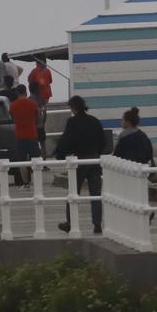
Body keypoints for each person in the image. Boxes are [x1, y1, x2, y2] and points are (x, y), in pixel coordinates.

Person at [54, 95, 107, 233]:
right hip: (94, 160)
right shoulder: (95, 121)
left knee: (73, 193)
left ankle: (70, 222)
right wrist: (97, 153)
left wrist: (60, 154)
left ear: (73, 107)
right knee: (95, 194)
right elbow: (103, 141)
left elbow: (67, 141)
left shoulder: (72, 122)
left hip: (79, 160)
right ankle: (97, 224)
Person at [5, 82, 42, 186]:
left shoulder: (13, 105)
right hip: (32, 135)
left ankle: (25, 182)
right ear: (26, 92)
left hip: (19, 136)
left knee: (22, 161)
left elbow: (12, 118)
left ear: (17, 93)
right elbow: (38, 119)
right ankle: (37, 181)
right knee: (35, 159)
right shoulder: (33, 104)